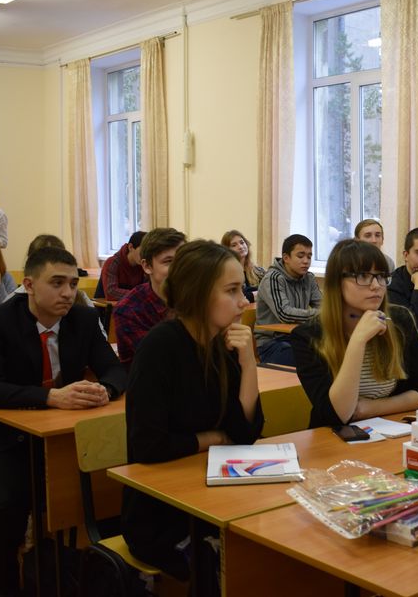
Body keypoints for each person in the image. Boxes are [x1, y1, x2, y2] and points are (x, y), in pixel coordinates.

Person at [0, 246, 126, 596]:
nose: (68, 293)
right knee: (10, 498)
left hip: (62, 435)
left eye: (73, 284)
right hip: (3, 438)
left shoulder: (83, 320)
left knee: (111, 484)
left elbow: (115, 369)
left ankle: (97, 575)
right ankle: (6, 586)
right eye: (56, 283)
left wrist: (105, 389)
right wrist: (51, 397)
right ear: (29, 285)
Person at [123, 240, 262, 588]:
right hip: (161, 512)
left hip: (212, 492)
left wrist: (248, 363)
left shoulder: (220, 345)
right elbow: (148, 446)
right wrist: (212, 438)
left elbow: (245, 433)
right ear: (198, 294)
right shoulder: (160, 347)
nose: (244, 302)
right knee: (235, 556)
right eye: (232, 290)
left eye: (242, 290)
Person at [291, 239, 418, 428]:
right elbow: (337, 415)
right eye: (362, 276)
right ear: (337, 282)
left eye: (381, 276)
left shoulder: (400, 320)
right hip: (333, 437)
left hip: (391, 429)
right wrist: (358, 341)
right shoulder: (308, 336)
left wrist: (369, 408)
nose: (376, 285)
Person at [114, 227, 186, 369]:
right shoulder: (128, 311)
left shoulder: (195, 298)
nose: (179, 268)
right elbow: (164, 359)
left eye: (183, 261)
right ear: (147, 266)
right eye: (169, 261)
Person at [254, 234, 321, 366]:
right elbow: (285, 313)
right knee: (311, 361)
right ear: (286, 258)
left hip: (297, 337)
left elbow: (323, 305)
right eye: (300, 256)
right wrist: (320, 314)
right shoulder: (273, 278)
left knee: (331, 352)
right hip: (272, 343)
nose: (306, 261)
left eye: (309, 256)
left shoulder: (309, 278)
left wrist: (325, 313)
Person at [99, 231, 147, 300]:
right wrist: (138, 295)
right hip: (107, 305)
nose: (145, 256)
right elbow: (111, 292)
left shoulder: (144, 264)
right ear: (130, 247)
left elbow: (148, 289)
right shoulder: (112, 263)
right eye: (143, 251)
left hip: (133, 304)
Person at [221, 229, 266, 301]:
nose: (240, 247)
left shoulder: (259, 271)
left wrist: (250, 294)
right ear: (226, 250)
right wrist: (254, 295)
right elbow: (232, 297)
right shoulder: (224, 274)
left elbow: (271, 290)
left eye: (242, 242)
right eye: (234, 245)